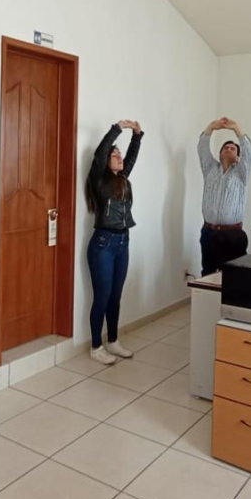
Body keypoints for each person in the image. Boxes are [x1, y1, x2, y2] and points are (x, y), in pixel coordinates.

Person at [84, 119, 143, 364]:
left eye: (119, 154)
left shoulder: (123, 179)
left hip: (122, 242)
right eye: (114, 155)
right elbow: (100, 153)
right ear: (106, 162)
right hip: (103, 244)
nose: (119, 157)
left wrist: (137, 136)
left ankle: (113, 341)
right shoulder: (99, 179)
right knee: (102, 297)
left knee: (115, 296)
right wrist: (117, 129)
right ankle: (96, 346)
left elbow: (131, 158)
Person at [198, 117, 251, 276]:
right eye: (225, 148)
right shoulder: (210, 169)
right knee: (207, 273)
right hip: (209, 232)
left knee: (233, 276)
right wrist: (211, 127)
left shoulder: (241, 174)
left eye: (233, 149)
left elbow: (249, 153)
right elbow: (202, 148)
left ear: (238, 157)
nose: (228, 149)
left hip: (233, 235)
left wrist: (236, 128)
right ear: (219, 153)